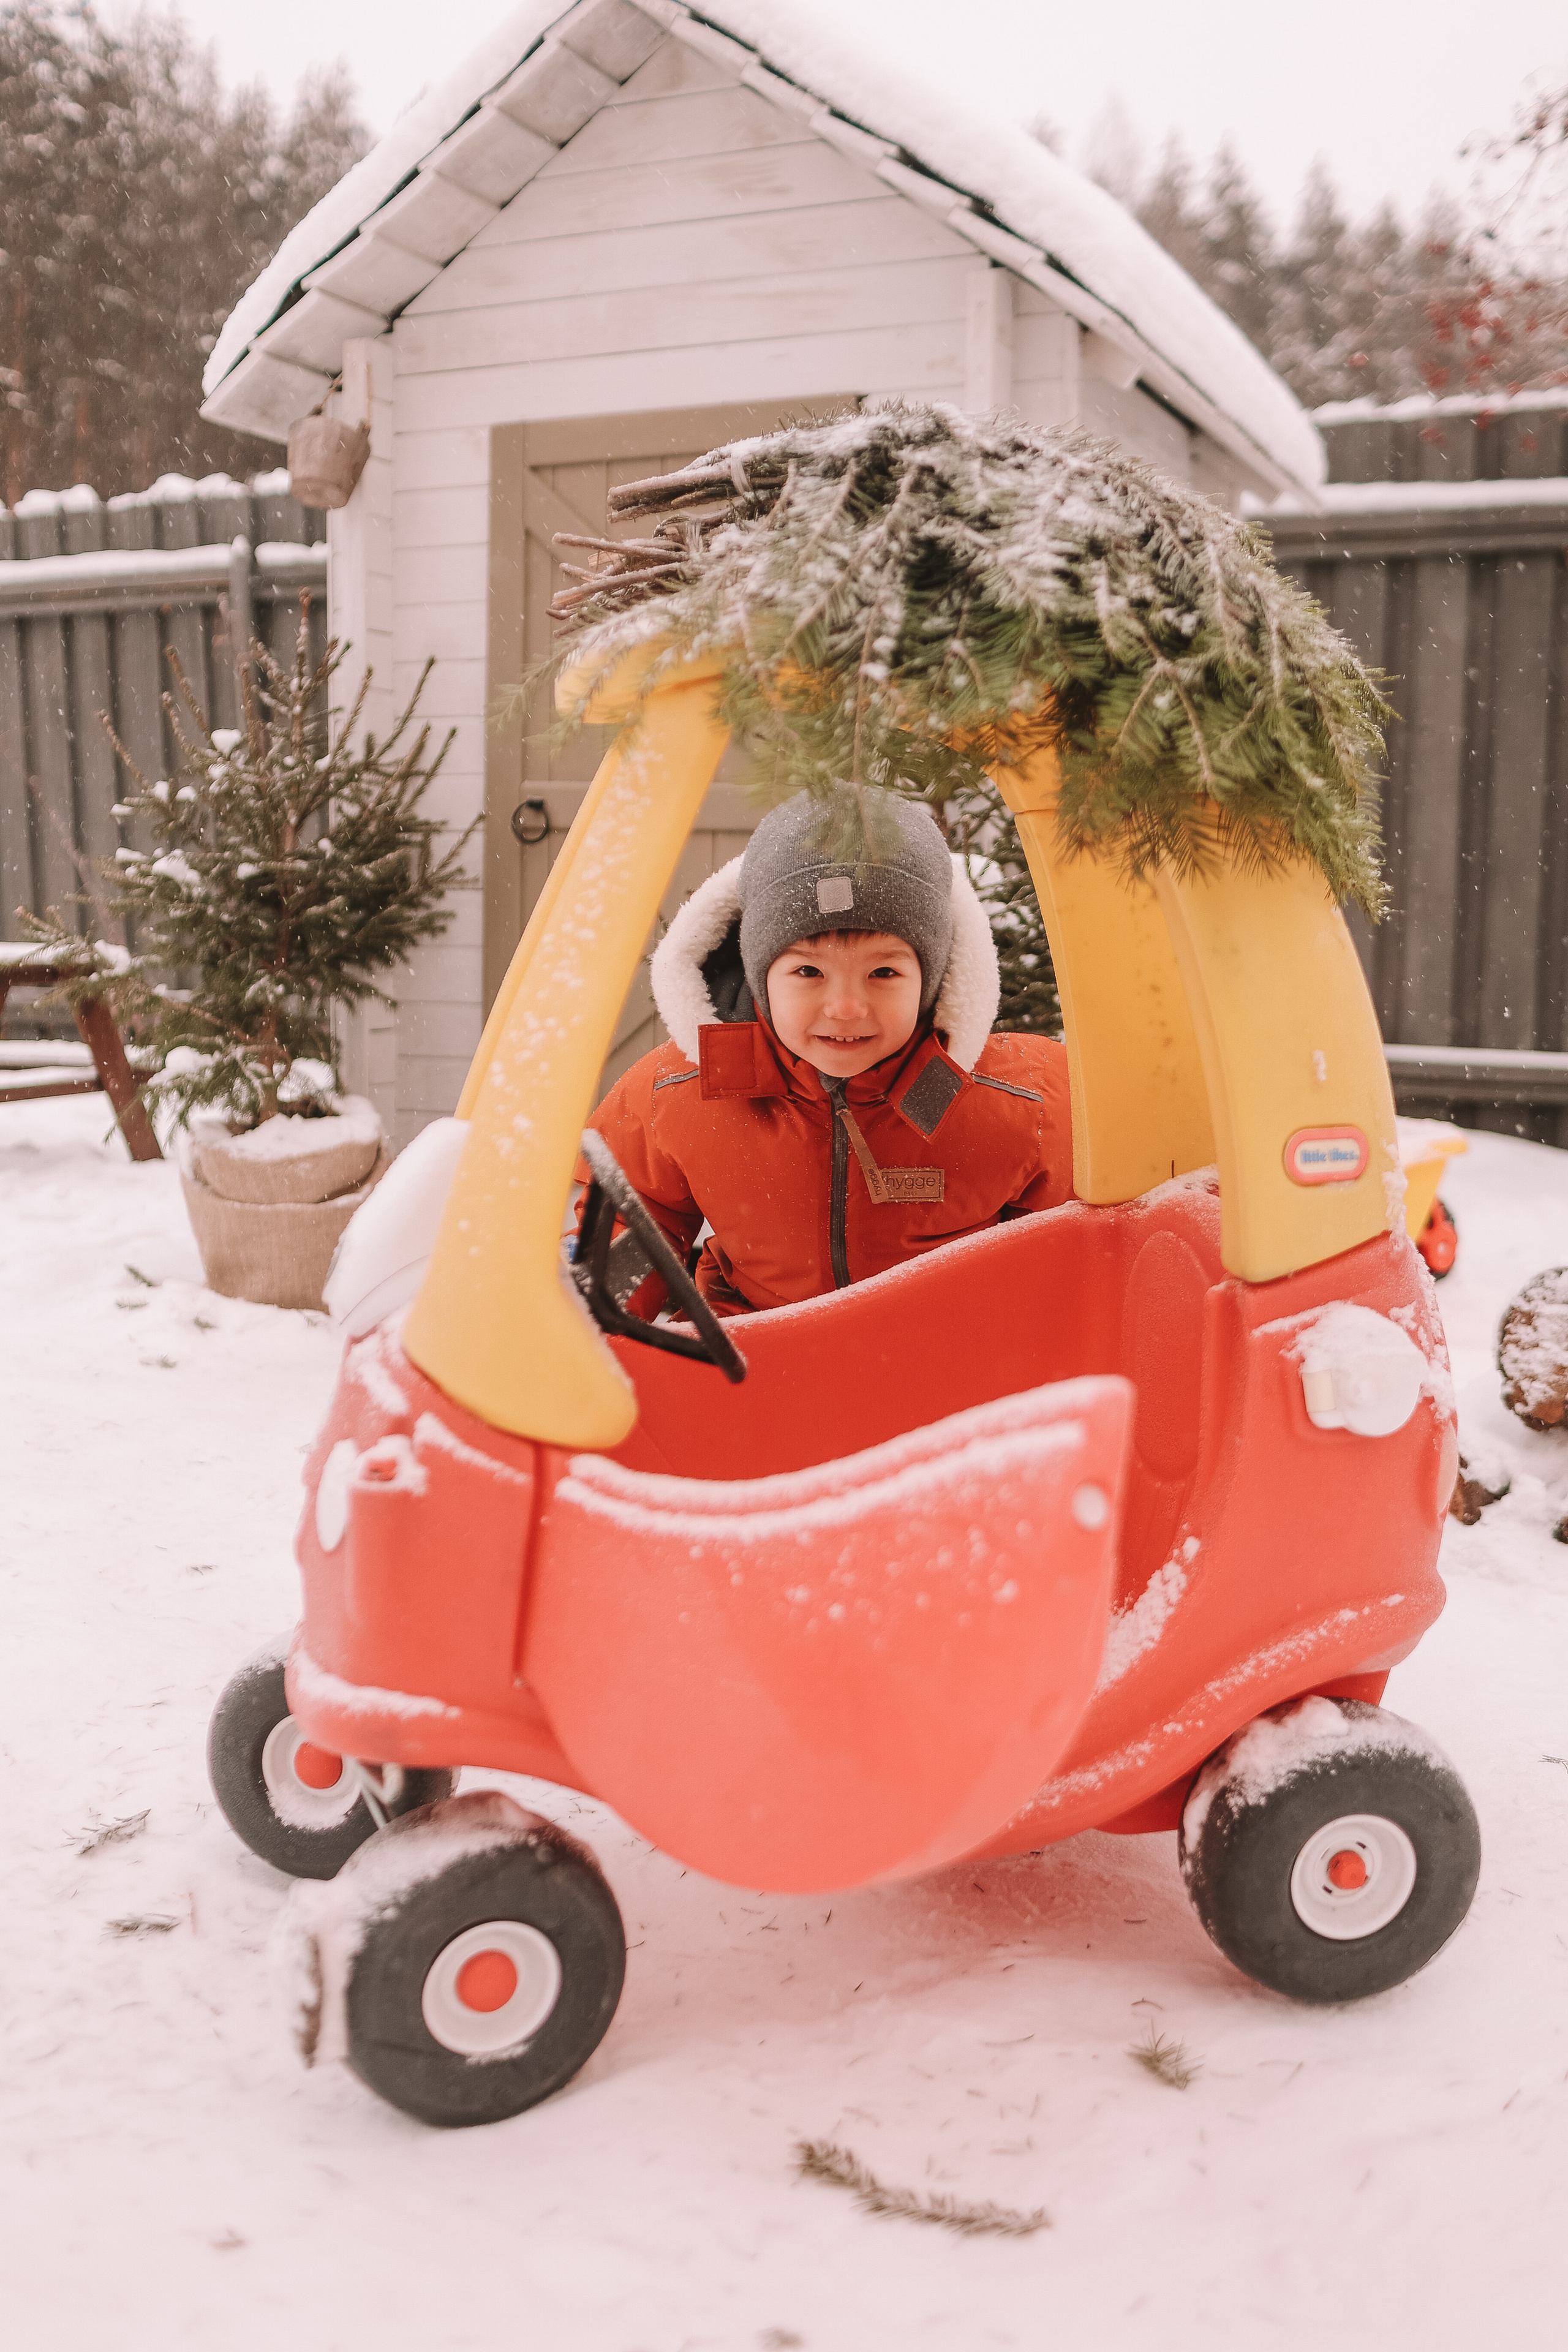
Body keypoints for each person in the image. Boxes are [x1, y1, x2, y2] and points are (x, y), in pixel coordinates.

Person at [582, 784, 1072, 1317]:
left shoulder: (1023, 1098)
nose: (844, 1007)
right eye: (808, 972)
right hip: (757, 1364)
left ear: (931, 979)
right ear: (760, 975)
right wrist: (596, 1314)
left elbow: (1078, 1254)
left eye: (883, 972)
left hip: (949, 1373)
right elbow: (634, 1220)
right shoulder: (678, 1093)